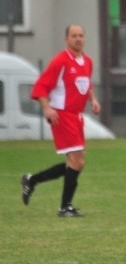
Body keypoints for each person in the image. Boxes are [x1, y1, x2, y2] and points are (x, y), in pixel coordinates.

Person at [21, 24, 101, 217]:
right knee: (77, 161)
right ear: (66, 39)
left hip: (76, 116)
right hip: (62, 115)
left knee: (75, 163)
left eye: (81, 35)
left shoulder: (87, 61)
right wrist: (47, 108)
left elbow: (87, 83)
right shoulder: (60, 61)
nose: (78, 39)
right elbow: (41, 86)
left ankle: (32, 180)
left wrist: (93, 99)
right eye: (74, 36)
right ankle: (65, 207)